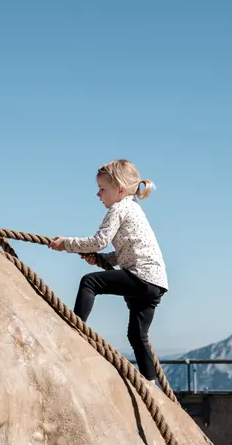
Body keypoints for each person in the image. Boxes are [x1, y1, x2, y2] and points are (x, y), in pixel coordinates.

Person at [48, 159, 169, 386]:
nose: (98, 194)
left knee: (89, 282)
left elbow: (99, 241)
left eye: (102, 189)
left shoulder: (119, 208)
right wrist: (102, 259)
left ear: (120, 190)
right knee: (137, 335)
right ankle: (151, 383)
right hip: (156, 283)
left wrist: (66, 244)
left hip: (141, 276)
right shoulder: (135, 208)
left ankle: (74, 330)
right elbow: (127, 251)